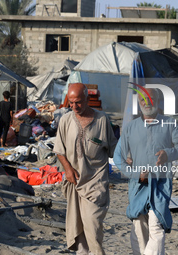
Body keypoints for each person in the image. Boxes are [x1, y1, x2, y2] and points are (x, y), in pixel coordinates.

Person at [113, 88, 178, 255]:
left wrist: (168, 154)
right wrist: (134, 174)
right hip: (137, 186)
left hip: (160, 185)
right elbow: (118, 156)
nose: (147, 103)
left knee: (156, 225)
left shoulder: (169, 124)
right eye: (143, 100)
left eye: (151, 99)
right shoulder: (131, 128)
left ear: (158, 101)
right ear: (139, 104)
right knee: (139, 227)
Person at [53, 83, 117, 255]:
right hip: (74, 182)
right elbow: (59, 150)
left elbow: (114, 149)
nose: (74, 106)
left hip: (95, 184)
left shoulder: (102, 120)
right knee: (79, 228)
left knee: (92, 225)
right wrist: (67, 168)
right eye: (71, 103)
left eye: (79, 102)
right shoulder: (66, 120)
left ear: (88, 99)